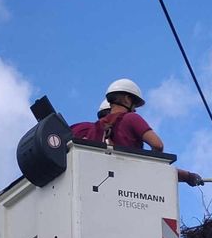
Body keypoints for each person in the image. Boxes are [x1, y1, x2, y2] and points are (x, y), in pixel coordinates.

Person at [72, 78, 204, 186]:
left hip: (99, 183)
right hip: (129, 185)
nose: (134, 109)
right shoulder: (131, 118)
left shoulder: (90, 128)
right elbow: (157, 145)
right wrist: (156, 165)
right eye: (134, 104)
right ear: (127, 99)